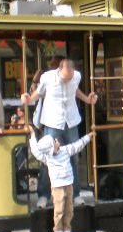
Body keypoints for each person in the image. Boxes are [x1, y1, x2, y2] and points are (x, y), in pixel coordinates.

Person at [21, 58, 97, 205]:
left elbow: (75, 90)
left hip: (71, 121)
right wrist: (29, 98)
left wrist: (87, 99)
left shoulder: (76, 76)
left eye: (70, 77)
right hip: (53, 121)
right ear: (59, 70)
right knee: (49, 158)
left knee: (73, 158)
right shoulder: (48, 77)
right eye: (65, 78)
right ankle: (43, 195)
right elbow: (39, 92)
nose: (67, 80)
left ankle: (75, 194)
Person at [27, 125, 94, 232]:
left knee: (69, 208)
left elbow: (76, 146)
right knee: (59, 209)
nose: (57, 140)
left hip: (68, 184)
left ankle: (67, 228)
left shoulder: (65, 150)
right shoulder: (47, 158)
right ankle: (58, 230)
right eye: (55, 141)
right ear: (51, 147)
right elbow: (36, 151)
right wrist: (32, 136)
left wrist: (87, 138)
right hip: (57, 187)